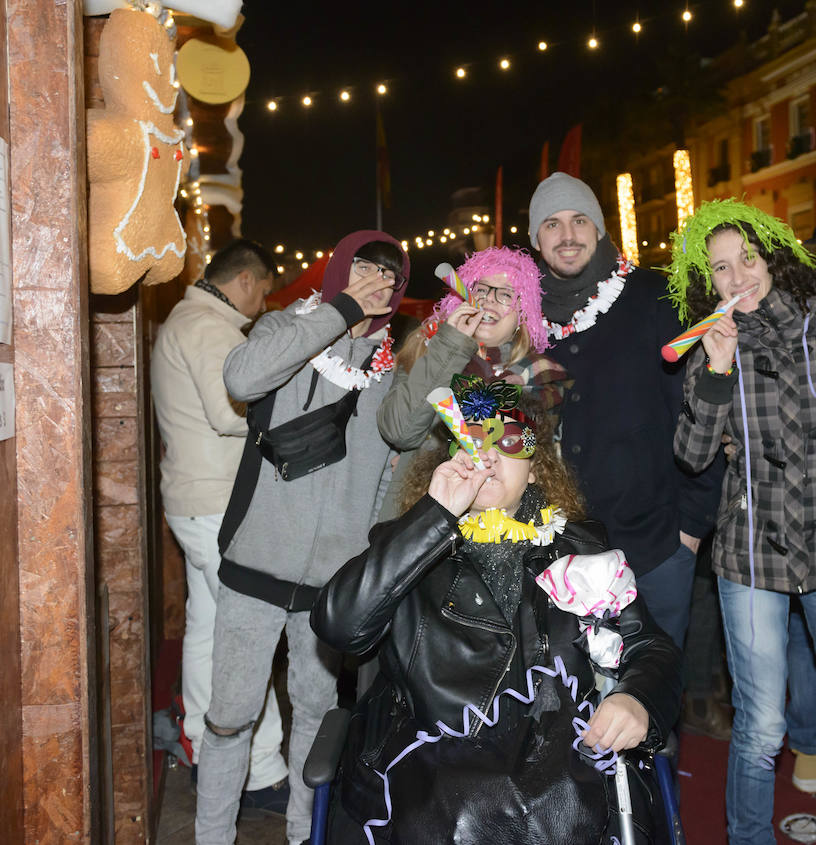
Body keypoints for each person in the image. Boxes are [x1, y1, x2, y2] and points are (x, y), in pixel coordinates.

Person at [312, 378, 680, 844]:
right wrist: (434, 516)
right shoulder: (406, 546)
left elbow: (650, 646)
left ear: (534, 469)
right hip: (429, 781)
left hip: (563, 782)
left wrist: (636, 697)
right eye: (470, 436)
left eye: (508, 440)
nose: (486, 453)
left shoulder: (583, 550)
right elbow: (337, 624)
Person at [669, 199, 816, 845]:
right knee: (760, 725)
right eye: (720, 267)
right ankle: (748, 836)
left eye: (746, 257)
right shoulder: (712, 347)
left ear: (773, 255)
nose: (737, 275)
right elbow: (690, 456)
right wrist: (717, 370)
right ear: (706, 280)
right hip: (750, 552)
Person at [194, 230, 408, 845]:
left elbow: (388, 474)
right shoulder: (285, 329)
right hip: (256, 564)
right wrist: (340, 310)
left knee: (315, 716)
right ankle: (212, 836)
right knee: (231, 715)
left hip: (330, 581)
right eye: (364, 267)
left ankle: (302, 835)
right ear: (340, 269)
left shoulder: (392, 371)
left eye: (388, 276)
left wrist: (366, 563)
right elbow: (243, 378)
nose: (376, 281)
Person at [528, 171, 720, 649]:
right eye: (552, 224)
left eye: (579, 220)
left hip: (653, 548)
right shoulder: (523, 316)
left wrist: (689, 532)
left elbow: (701, 412)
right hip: (557, 552)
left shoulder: (655, 297)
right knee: (573, 707)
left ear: (599, 228)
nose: (567, 235)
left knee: (649, 702)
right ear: (535, 239)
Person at [150, 238, 290, 810]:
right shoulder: (209, 328)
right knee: (248, 635)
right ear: (249, 282)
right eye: (263, 293)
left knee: (209, 634)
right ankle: (260, 774)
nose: (261, 306)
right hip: (214, 506)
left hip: (196, 501)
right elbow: (230, 407)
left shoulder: (189, 319)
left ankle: (211, 757)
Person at [377, 245, 568, 518]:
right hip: (422, 521)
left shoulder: (544, 376)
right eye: (481, 289)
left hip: (511, 527)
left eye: (505, 295)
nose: (489, 300)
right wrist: (451, 345)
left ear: (522, 315)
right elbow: (399, 431)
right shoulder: (425, 353)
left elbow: (546, 469)